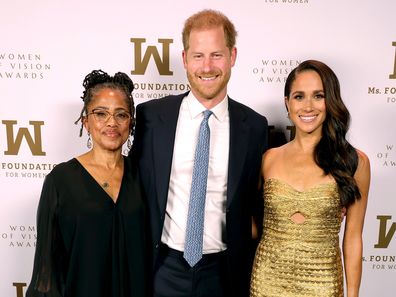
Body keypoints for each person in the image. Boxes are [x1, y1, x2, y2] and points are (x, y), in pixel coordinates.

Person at [130, 9, 268, 297]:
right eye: (198, 56)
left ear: (233, 56)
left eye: (217, 55)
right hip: (161, 269)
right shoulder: (150, 117)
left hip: (224, 275)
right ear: (184, 59)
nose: (207, 67)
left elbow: (261, 202)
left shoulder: (255, 127)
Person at [250, 60, 370, 297]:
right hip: (267, 282)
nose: (308, 106)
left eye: (318, 96)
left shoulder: (355, 162)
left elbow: (353, 237)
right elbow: (252, 226)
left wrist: (353, 294)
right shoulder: (268, 159)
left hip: (323, 284)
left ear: (331, 101)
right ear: (287, 103)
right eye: (298, 97)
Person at [26, 70, 148, 297]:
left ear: (130, 123)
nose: (111, 122)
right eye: (101, 113)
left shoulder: (145, 176)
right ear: (86, 121)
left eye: (121, 115)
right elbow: (46, 269)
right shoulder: (60, 180)